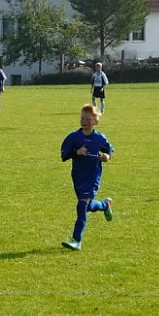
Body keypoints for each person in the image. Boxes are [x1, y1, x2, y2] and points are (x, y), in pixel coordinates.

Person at [60, 104, 114, 251]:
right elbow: (64, 154)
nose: (84, 121)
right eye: (82, 118)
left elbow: (109, 150)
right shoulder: (74, 137)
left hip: (92, 177)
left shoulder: (99, 138)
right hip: (78, 177)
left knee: (81, 206)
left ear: (96, 122)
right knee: (88, 206)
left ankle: (76, 240)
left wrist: (106, 156)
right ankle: (105, 205)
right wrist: (77, 152)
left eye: (88, 119)